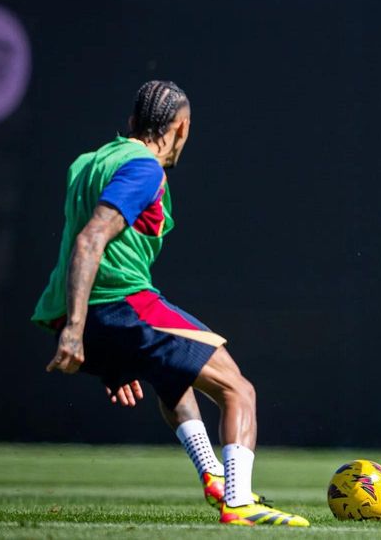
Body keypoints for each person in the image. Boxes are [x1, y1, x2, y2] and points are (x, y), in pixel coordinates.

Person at [32, 80, 308, 527]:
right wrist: (79, 330)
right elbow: (90, 239)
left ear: (131, 124)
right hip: (118, 300)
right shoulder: (144, 168)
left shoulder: (88, 162)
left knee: (172, 377)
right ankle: (238, 502)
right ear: (180, 128)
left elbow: (74, 241)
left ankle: (214, 477)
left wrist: (97, 338)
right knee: (239, 390)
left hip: (81, 308)